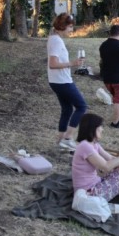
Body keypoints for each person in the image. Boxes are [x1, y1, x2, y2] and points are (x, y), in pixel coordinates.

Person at [47, 12, 87, 150]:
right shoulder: (56, 41)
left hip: (56, 80)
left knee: (67, 109)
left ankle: (60, 141)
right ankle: (68, 138)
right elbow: (53, 63)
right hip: (62, 81)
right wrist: (72, 63)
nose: (71, 30)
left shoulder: (54, 38)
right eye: (70, 27)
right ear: (63, 26)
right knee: (81, 106)